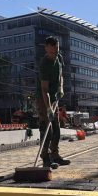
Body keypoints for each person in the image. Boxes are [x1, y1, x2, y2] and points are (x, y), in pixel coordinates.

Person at [35, 36, 71, 167]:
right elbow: (45, 90)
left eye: (56, 50)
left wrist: (61, 87)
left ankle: (55, 155)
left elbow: (61, 75)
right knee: (46, 129)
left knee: (56, 129)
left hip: (55, 96)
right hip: (43, 98)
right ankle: (45, 157)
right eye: (52, 51)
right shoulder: (44, 65)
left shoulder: (59, 58)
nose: (54, 53)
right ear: (46, 49)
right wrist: (49, 108)